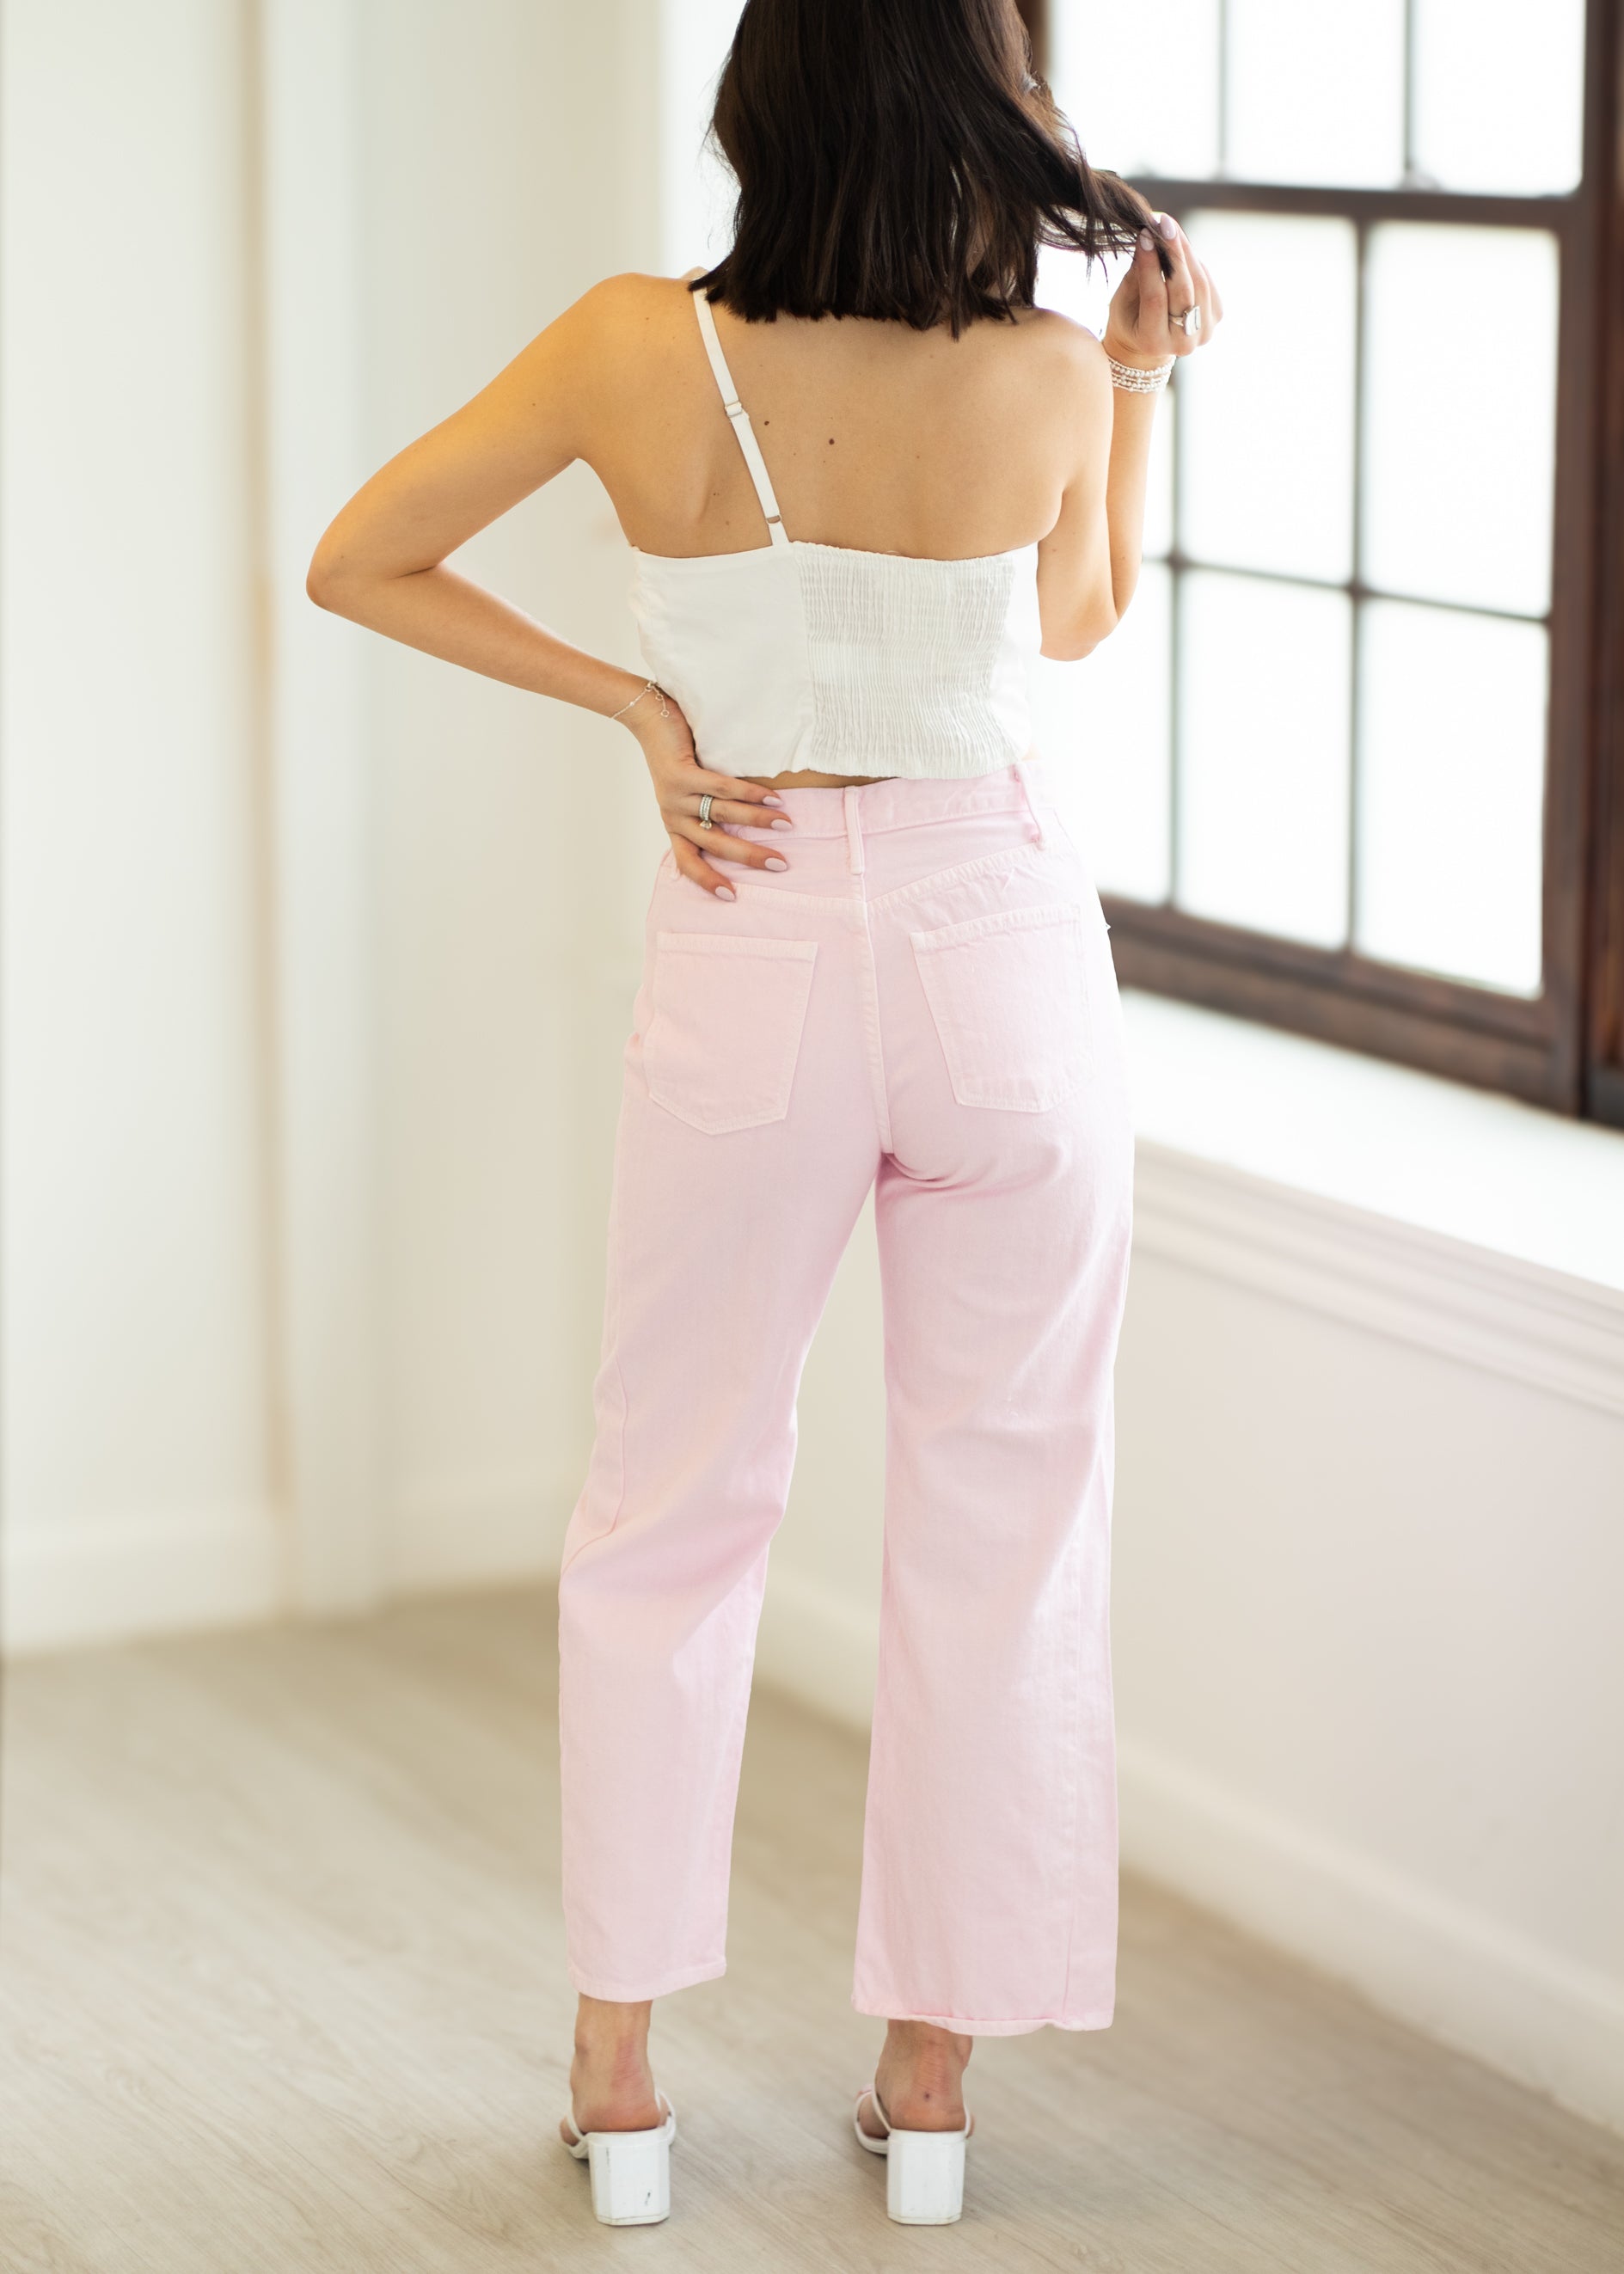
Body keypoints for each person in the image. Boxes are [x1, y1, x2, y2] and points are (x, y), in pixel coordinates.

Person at [308, 0, 1219, 2229]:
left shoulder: (635, 348)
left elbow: (361, 553)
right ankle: (928, 2093)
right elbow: (1079, 624)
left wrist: (638, 702)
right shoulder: (1029, 364)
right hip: (999, 943)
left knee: (668, 1500)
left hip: (750, 922)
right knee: (998, 1517)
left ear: (766, 82)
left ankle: (620, 2082)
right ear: (984, 92)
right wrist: (1136, 387)